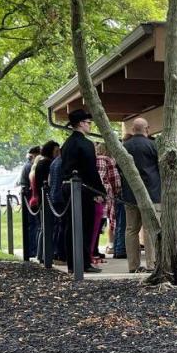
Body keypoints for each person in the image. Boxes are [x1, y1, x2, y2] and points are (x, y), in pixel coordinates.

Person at [59, 109, 105, 274]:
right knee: (85, 226)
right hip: (82, 189)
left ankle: (72, 262)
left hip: (67, 187)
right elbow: (91, 170)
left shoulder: (66, 144)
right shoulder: (85, 144)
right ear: (80, 123)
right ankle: (84, 262)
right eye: (88, 122)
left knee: (70, 226)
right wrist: (99, 191)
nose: (89, 125)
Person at [121, 117, 161, 274]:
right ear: (147, 129)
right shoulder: (153, 146)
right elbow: (160, 167)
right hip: (152, 193)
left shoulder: (124, 147)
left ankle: (133, 265)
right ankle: (152, 263)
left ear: (132, 129)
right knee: (151, 229)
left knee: (131, 229)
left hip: (130, 194)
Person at [94, 142, 121, 264]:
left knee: (95, 223)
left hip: (93, 192)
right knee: (107, 220)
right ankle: (112, 245)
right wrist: (117, 192)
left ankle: (94, 249)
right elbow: (114, 179)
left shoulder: (93, 159)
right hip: (106, 192)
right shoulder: (108, 160)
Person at [19, 145, 41, 260]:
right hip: (29, 197)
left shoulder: (27, 166)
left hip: (27, 197)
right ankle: (32, 249)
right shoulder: (30, 167)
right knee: (33, 225)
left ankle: (31, 249)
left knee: (31, 224)